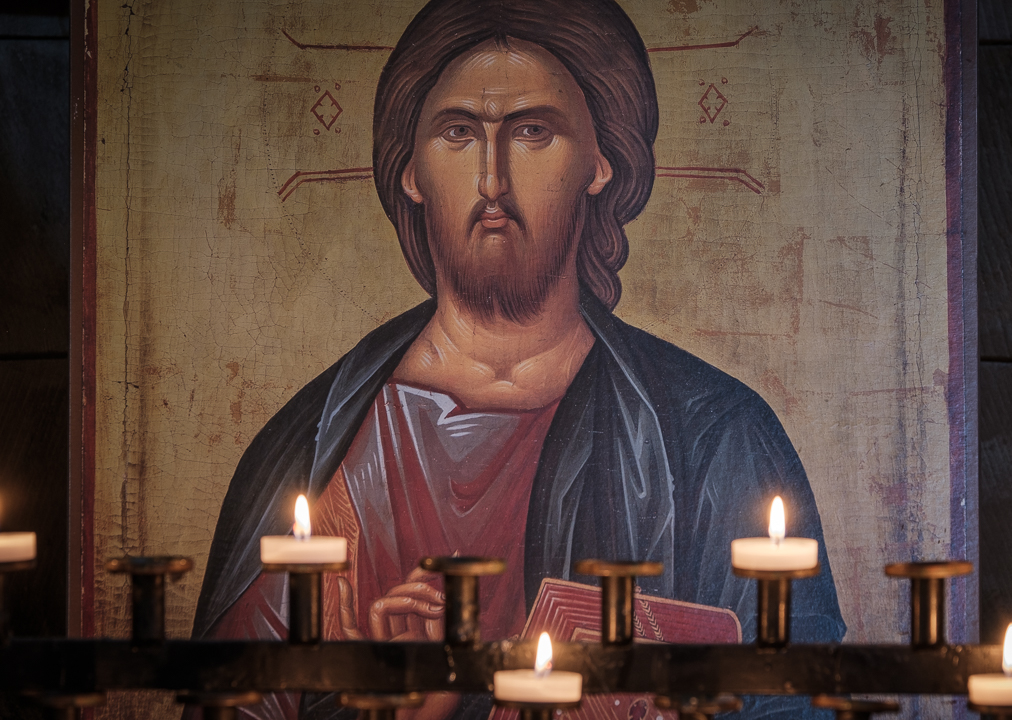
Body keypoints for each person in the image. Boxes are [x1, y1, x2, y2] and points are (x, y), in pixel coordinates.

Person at [191, 1, 844, 718]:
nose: (491, 180)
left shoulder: (713, 435)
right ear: (409, 169)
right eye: (458, 133)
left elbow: (796, 695)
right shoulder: (311, 450)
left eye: (533, 132)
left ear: (600, 162)